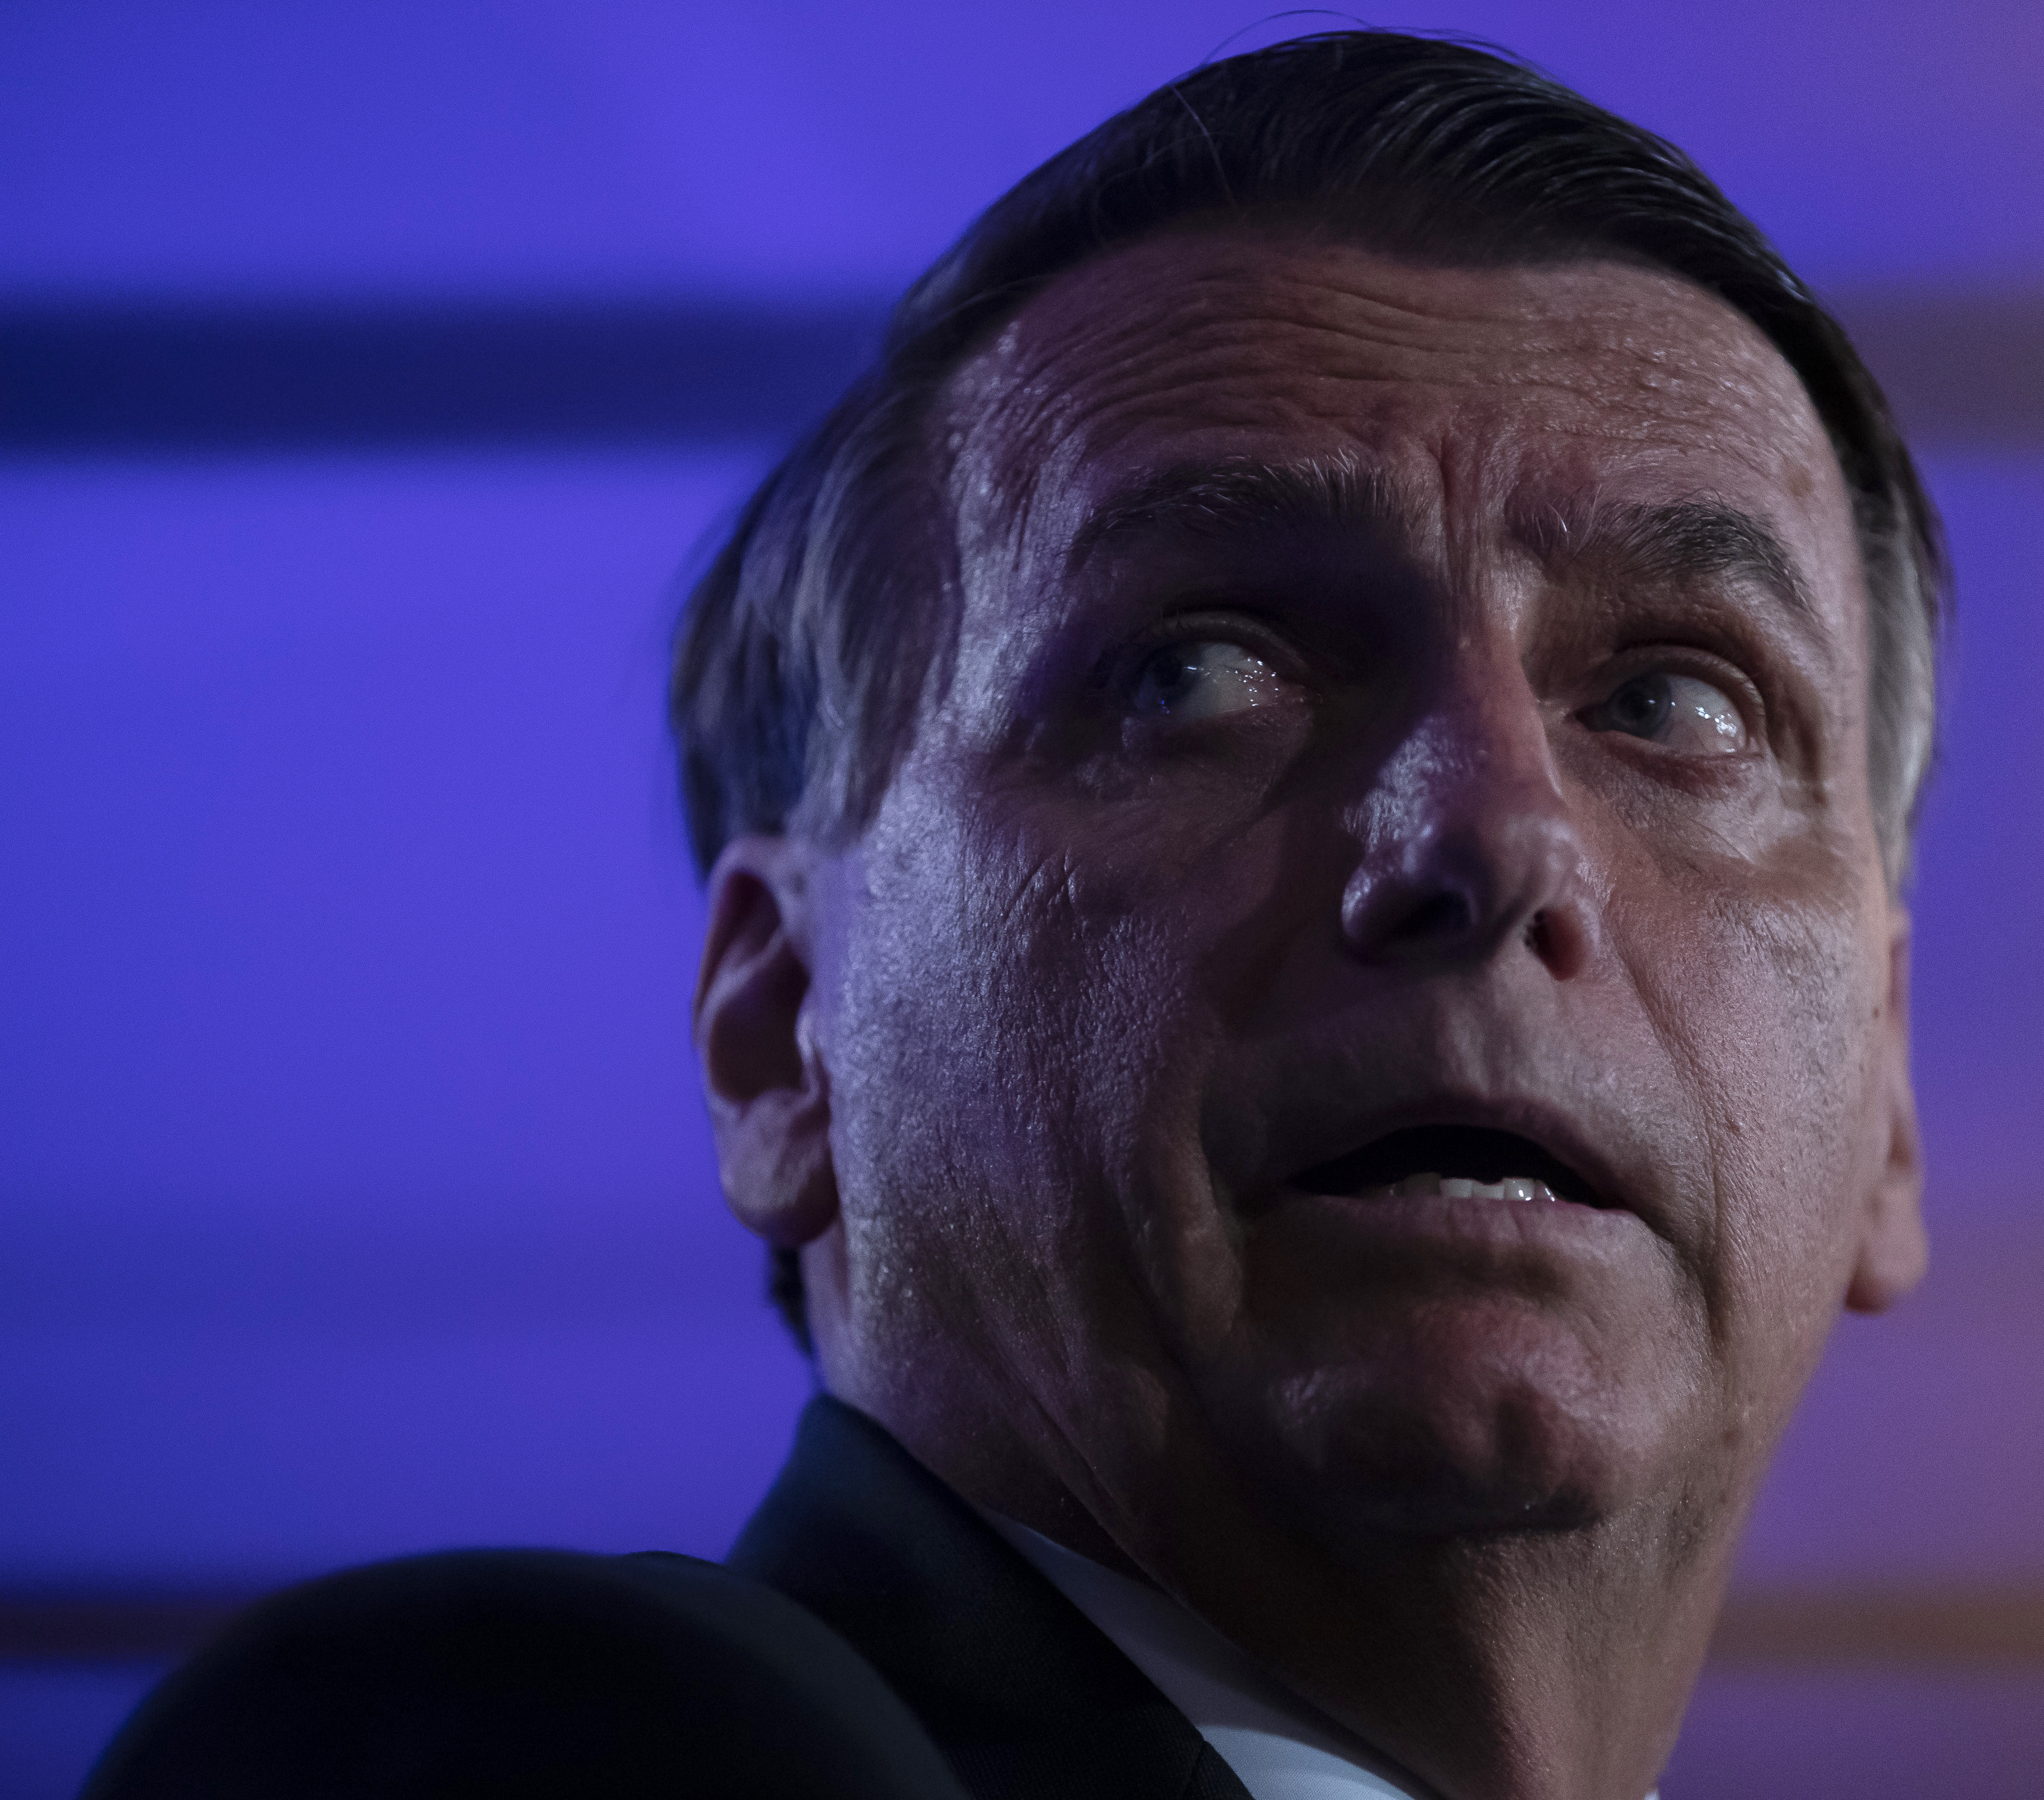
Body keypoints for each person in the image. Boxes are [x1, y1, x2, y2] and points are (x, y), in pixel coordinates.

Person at [87, 30, 1943, 1800]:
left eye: (1677, 701)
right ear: (779, 1031)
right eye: (1198, 669)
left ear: (1889, 1093)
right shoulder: (544, 1753)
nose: (1495, 831)